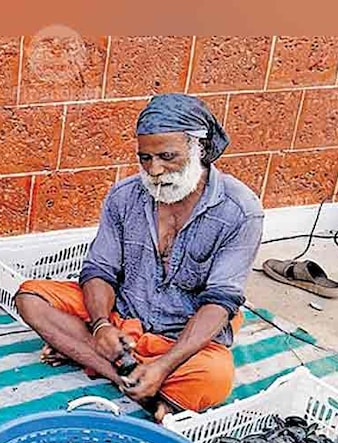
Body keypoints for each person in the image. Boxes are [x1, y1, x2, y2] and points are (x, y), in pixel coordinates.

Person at [16, 93, 264, 421]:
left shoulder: (241, 211)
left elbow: (220, 303)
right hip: (123, 318)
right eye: (145, 158)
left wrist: (163, 365)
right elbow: (99, 270)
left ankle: (97, 358)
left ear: (199, 151)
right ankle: (125, 374)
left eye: (167, 156)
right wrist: (102, 325)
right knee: (31, 298)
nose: (155, 170)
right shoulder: (124, 196)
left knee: (214, 379)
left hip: (178, 338)